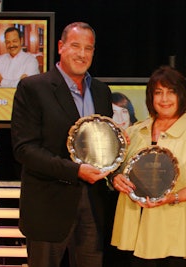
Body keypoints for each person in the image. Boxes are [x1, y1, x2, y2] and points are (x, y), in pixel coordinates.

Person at [11, 22, 115, 267]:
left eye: (88, 48)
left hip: (93, 205)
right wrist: (75, 171)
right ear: (60, 47)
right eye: (75, 46)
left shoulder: (101, 91)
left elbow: (102, 144)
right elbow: (24, 149)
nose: (82, 54)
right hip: (48, 207)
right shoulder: (33, 88)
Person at [110, 65, 186, 267]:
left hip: (180, 235)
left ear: (183, 96)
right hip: (136, 230)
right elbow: (117, 170)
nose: (164, 99)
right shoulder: (134, 133)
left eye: (171, 92)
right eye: (158, 92)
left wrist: (172, 197)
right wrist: (115, 178)